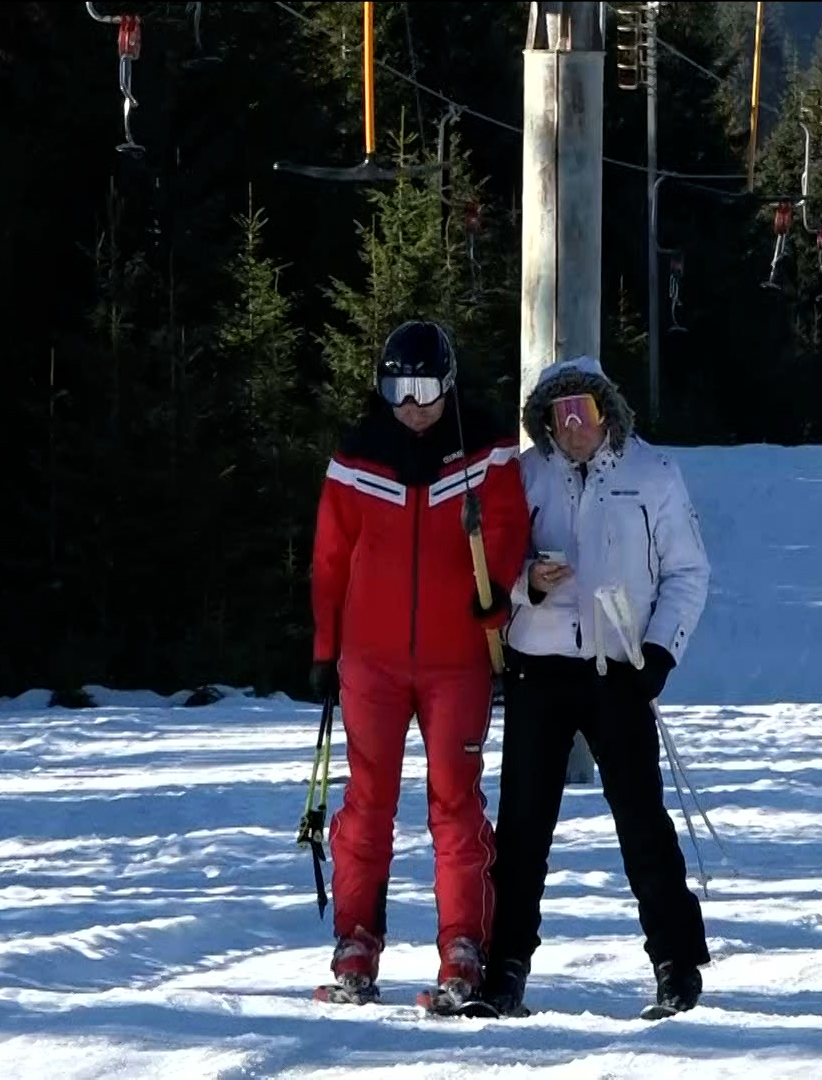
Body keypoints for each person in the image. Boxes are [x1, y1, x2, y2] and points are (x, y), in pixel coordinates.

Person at [309, 320, 532, 1009]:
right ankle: (355, 943)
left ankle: (463, 946)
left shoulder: (485, 447)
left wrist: (495, 594)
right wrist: (324, 649)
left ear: (449, 385)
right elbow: (330, 557)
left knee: (455, 805)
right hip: (370, 663)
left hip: (455, 663)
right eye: (398, 389)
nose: (412, 405)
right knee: (366, 802)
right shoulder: (357, 453)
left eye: (427, 389)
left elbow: (508, 527)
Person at [482, 356, 713, 1018]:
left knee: (642, 820)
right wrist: (527, 582)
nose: (573, 425)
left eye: (583, 409)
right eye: (560, 413)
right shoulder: (525, 476)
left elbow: (688, 572)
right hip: (538, 667)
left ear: (606, 410)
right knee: (523, 825)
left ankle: (676, 963)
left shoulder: (653, 474)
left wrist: (659, 653)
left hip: (620, 669)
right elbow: (489, 567)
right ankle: (505, 967)